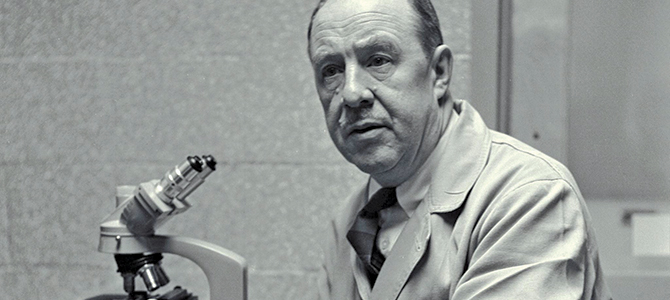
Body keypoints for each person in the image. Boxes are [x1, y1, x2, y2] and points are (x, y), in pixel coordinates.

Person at [307, 0, 612, 299]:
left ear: (439, 72)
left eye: (378, 60)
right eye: (331, 70)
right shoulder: (351, 218)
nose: (350, 92)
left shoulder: (529, 198)